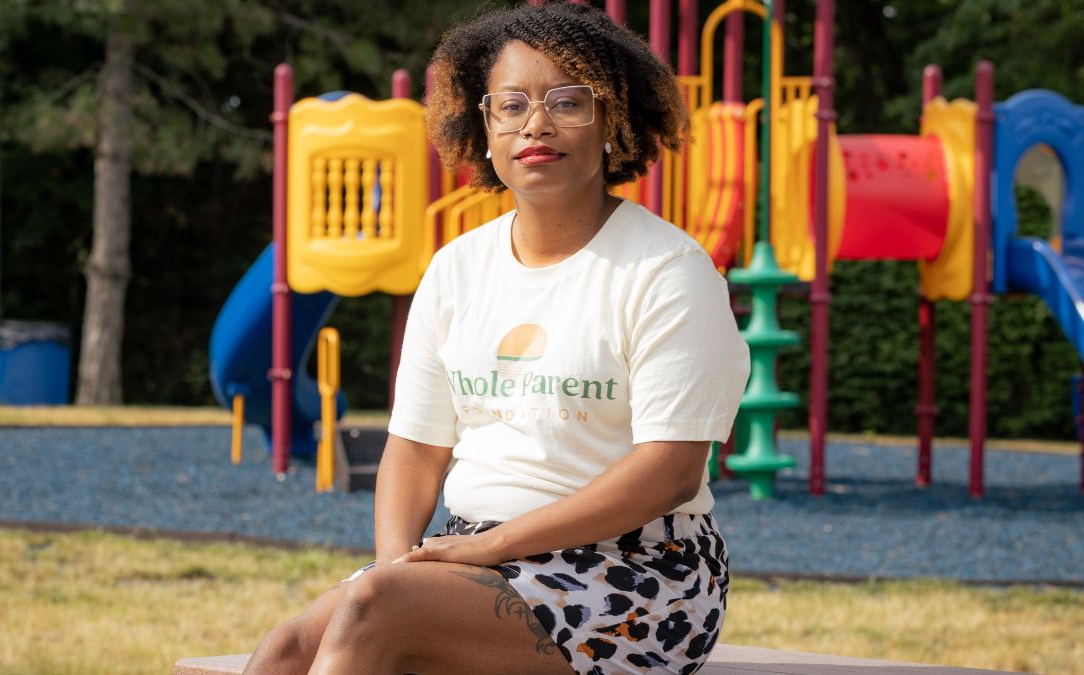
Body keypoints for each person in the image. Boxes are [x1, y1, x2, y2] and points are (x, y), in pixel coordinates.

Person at [244, 2, 749, 673]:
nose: (535, 122)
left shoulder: (668, 271)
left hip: (639, 570)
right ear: (485, 127)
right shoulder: (456, 268)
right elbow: (417, 447)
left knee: (378, 609)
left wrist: (486, 549)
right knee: (286, 649)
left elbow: (671, 468)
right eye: (510, 104)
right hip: (474, 556)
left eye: (567, 101)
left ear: (611, 121)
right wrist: (399, 561)